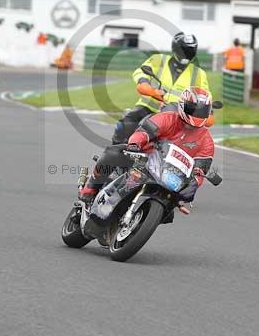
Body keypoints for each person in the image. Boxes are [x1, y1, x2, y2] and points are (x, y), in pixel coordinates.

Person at [79, 86, 215, 206]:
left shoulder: (206, 139)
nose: (196, 114)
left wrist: (195, 183)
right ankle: (91, 186)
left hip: (171, 174)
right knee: (112, 153)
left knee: (171, 210)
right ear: (182, 105)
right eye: (192, 109)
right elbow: (143, 133)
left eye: (202, 111)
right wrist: (134, 145)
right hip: (144, 158)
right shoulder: (167, 118)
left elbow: (201, 167)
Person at [111, 32, 210, 144]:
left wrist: (208, 112)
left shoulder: (198, 74)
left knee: (190, 144)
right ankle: (112, 155)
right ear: (175, 49)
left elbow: (203, 95)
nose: (187, 54)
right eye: (184, 50)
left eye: (190, 51)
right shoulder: (159, 60)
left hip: (176, 115)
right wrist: (144, 83)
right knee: (124, 126)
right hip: (149, 106)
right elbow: (141, 71)